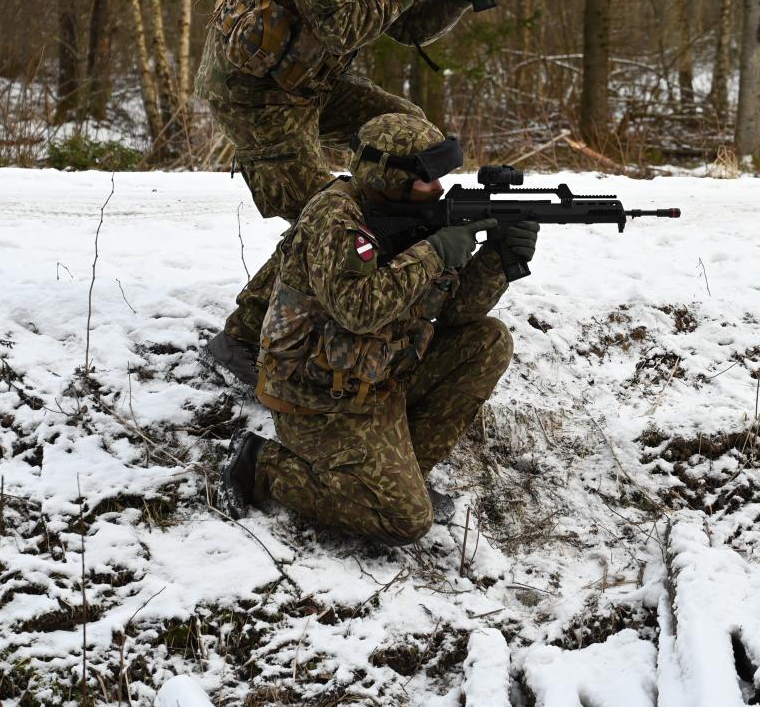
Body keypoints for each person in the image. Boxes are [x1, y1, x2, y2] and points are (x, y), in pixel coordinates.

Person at [197, 0, 513, 384]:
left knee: (414, 146)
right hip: (258, 95)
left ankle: (395, 268)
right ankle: (243, 336)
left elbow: (408, 27)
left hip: (316, 82)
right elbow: (342, 26)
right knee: (323, 210)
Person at [219, 113, 538, 544]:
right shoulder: (336, 218)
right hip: (319, 401)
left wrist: (498, 261)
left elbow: (457, 313)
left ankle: (403, 477)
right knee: (405, 522)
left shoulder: (417, 215)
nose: (439, 189)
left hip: (378, 379)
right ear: (387, 176)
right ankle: (262, 466)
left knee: (488, 341)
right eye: (427, 179)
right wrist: (435, 251)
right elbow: (359, 311)